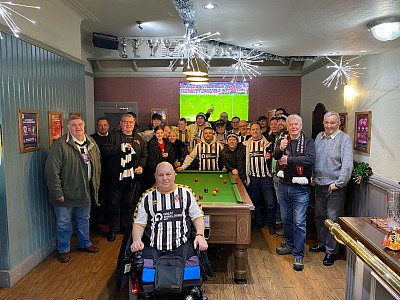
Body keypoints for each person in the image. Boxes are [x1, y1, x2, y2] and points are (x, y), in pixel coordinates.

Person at [45, 115, 101, 263]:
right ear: (68, 128)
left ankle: (84, 243)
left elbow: (97, 164)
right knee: (64, 222)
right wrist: (57, 192)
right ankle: (64, 249)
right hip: (65, 194)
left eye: (80, 124)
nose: (78, 127)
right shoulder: (60, 145)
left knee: (84, 219)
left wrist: (95, 185)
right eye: (74, 125)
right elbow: (52, 171)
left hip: (85, 191)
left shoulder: (91, 142)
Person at [130, 162, 208, 260]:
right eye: (160, 175)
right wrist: (136, 240)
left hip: (181, 247)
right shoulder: (147, 197)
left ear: (174, 175)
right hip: (153, 249)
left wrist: (200, 235)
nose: (165, 178)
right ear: (155, 176)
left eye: (168, 174)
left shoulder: (186, 192)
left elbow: (198, 217)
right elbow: (139, 223)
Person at [311, 111, 353, 266]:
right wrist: (313, 176)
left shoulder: (344, 139)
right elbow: (315, 159)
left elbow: (347, 165)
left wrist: (339, 183)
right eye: (326, 122)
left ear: (338, 123)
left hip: (334, 187)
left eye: (332, 123)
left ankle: (331, 251)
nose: (329, 125)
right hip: (319, 184)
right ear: (323, 122)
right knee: (319, 216)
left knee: (332, 219)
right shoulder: (319, 137)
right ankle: (322, 243)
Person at [274, 114, 315, 271]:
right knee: (286, 219)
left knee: (299, 222)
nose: (293, 127)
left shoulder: (308, 142)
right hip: (283, 185)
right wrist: (280, 148)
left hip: (300, 188)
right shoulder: (283, 140)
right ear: (287, 126)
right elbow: (276, 157)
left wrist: (289, 161)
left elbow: (310, 159)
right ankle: (290, 244)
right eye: (290, 124)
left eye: (296, 124)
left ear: (301, 125)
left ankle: (299, 254)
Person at [102, 113, 147, 242]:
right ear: (120, 123)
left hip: (132, 179)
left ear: (134, 124)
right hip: (115, 178)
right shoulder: (113, 136)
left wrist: (141, 167)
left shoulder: (139, 139)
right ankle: (112, 229)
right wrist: (120, 149)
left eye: (131, 122)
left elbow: (144, 155)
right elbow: (105, 152)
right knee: (113, 204)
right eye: (125, 122)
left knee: (128, 204)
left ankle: (126, 229)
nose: (128, 125)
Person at [244, 122, 277, 233]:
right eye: (253, 129)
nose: (255, 131)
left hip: (266, 178)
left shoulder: (268, 143)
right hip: (253, 178)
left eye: (257, 129)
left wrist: (270, 158)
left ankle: (271, 224)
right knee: (254, 202)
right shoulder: (245, 144)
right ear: (250, 131)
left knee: (271, 203)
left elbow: (275, 158)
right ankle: (258, 222)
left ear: (260, 130)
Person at [90, 117, 110, 231]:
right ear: (97, 126)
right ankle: (95, 224)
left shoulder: (112, 138)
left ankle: (108, 221)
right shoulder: (92, 139)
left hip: (110, 174)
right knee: (96, 199)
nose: (103, 127)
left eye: (105, 125)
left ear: (108, 126)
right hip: (96, 175)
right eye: (100, 125)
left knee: (109, 199)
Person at [142, 126, 175, 191]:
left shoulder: (168, 144)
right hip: (153, 174)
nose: (160, 135)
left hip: (166, 172)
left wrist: (168, 155)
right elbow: (151, 161)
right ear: (154, 133)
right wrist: (160, 172)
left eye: (161, 133)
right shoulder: (150, 144)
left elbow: (172, 158)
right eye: (157, 133)